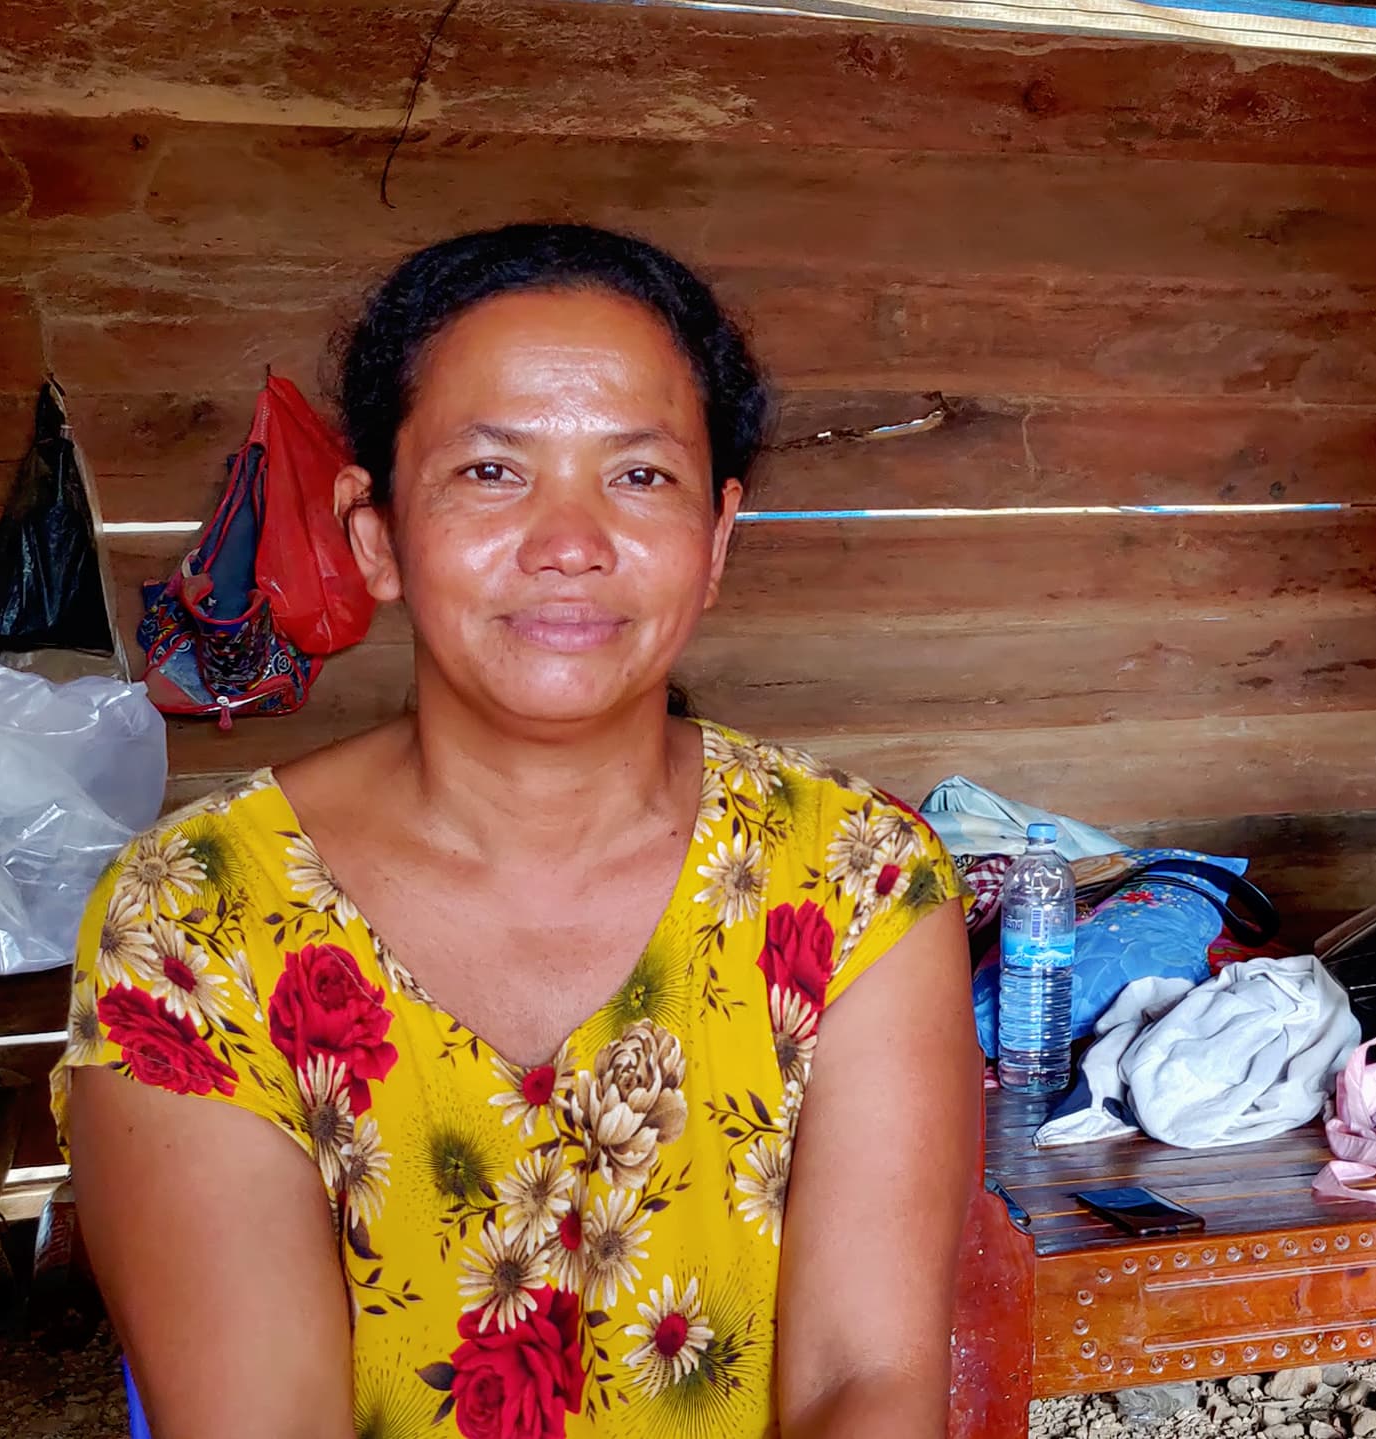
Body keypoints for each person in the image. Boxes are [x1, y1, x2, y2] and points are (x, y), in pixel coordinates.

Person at [54, 223, 981, 1439]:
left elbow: (862, 1381)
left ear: (715, 540)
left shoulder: (857, 883)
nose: (569, 544)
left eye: (640, 475)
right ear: (376, 532)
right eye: (492, 471)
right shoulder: (195, 916)